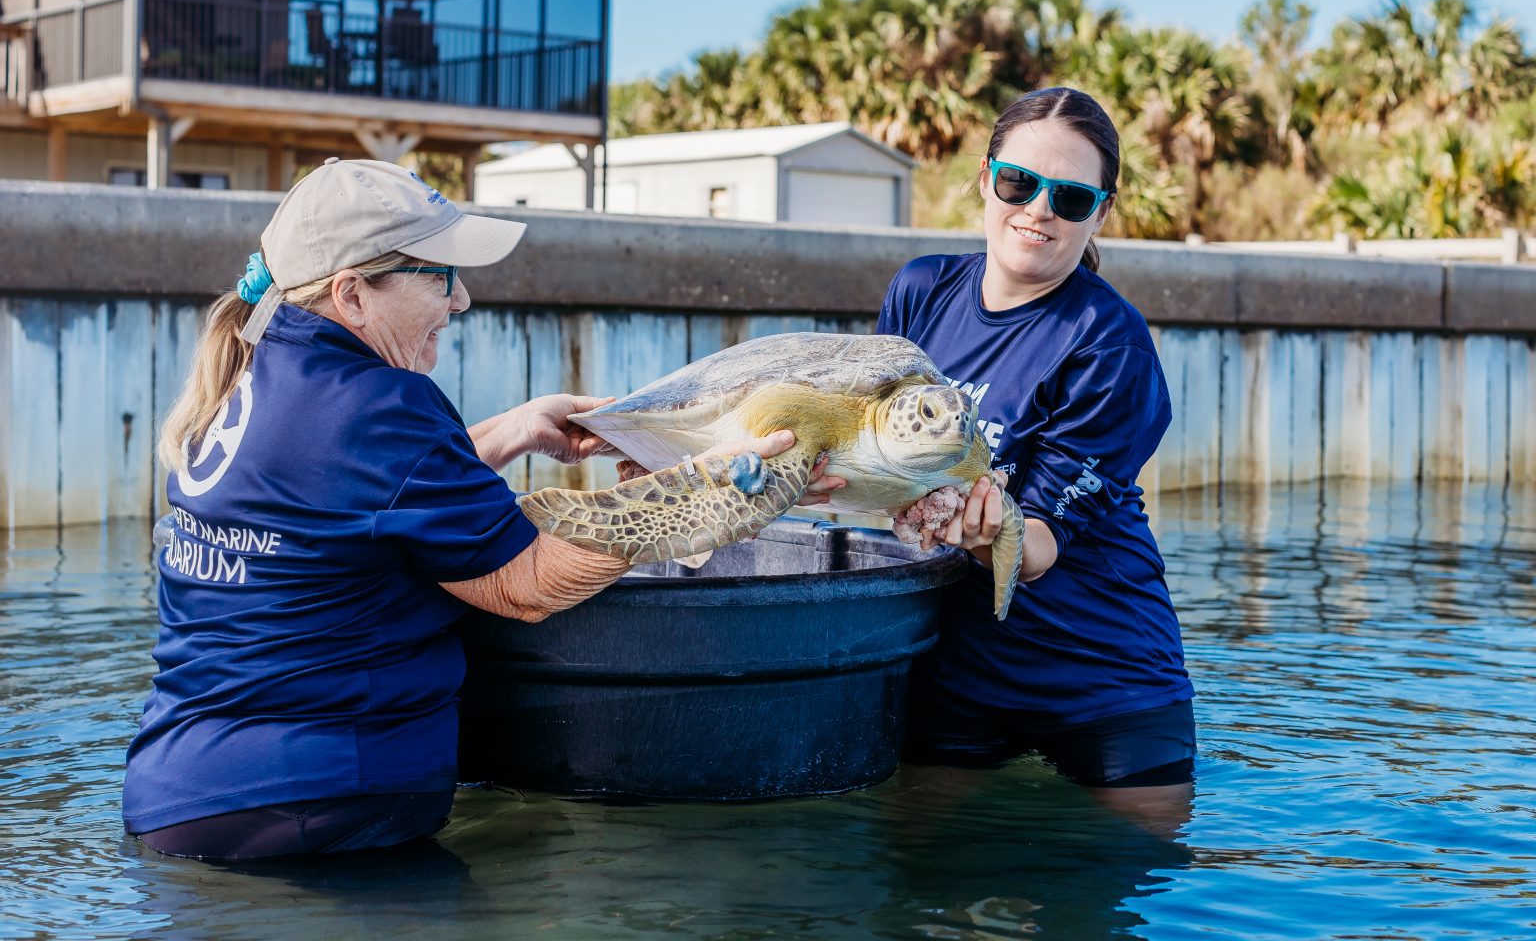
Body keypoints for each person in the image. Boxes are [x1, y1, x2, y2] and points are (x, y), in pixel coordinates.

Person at [123, 158, 829, 861]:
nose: (460, 302)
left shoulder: (254, 378)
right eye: (439, 276)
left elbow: (362, 502)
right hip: (315, 812)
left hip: (178, 797)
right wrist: (709, 491)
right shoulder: (380, 405)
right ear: (352, 294)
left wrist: (511, 430)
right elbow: (525, 585)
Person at [877, 87, 1194, 831]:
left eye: (1072, 197)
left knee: (1118, 892)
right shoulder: (920, 293)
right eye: (1020, 182)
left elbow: (1041, 542)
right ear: (986, 179)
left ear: (1101, 214)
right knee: (911, 888)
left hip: (1104, 681)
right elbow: (872, 441)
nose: (1039, 209)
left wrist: (983, 526)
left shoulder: (1108, 340)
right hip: (951, 679)